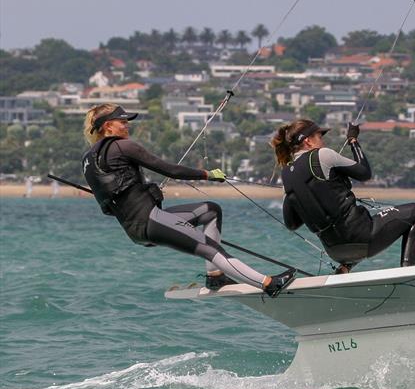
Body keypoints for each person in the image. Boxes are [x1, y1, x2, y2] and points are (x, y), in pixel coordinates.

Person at [82, 103, 295, 295]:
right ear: (108, 126)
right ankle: (268, 284)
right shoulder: (122, 146)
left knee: (211, 210)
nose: (127, 125)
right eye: (122, 122)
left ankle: (215, 277)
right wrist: (207, 175)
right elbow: (171, 170)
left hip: (136, 229)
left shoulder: (89, 160)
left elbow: (111, 204)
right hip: (150, 221)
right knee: (212, 249)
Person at [272, 118, 415, 273]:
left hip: (335, 251)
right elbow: (364, 173)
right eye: (319, 137)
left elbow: (291, 224)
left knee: (348, 232)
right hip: (363, 238)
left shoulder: (286, 175)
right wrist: (353, 140)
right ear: (308, 141)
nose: (323, 142)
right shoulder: (322, 155)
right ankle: (408, 273)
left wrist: (313, 201)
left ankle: (346, 267)